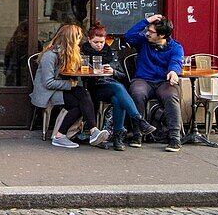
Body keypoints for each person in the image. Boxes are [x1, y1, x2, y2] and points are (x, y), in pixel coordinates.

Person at [30, 24, 111, 150]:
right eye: (78, 38)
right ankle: (61, 136)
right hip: (47, 93)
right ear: (70, 39)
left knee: (83, 93)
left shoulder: (68, 53)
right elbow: (48, 83)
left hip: (59, 89)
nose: (80, 41)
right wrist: (70, 84)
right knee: (80, 102)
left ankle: (92, 131)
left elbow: (81, 67)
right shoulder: (50, 56)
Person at [81, 22, 156, 150]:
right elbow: (79, 75)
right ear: (89, 40)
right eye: (96, 42)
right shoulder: (83, 53)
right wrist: (93, 72)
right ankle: (137, 120)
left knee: (118, 98)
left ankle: (117, 137)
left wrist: (112, 72)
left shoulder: (111, 53)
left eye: (102, 42)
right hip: (93, 88)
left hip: (110, 86)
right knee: (118, 89)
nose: (99, 45)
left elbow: (122, 75)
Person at [124, 13, 185, 152]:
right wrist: (147, 21)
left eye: (151, 32)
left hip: (163, 81)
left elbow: (176, 61)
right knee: (137, 92)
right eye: (148, 30)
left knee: (171, 96)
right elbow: (128, 36)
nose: (147, 33)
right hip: (143, 79)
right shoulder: (143, 41)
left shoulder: (176, 47)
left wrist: (173, 71)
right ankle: (136, 134)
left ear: (162, 36)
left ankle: (174, 137)